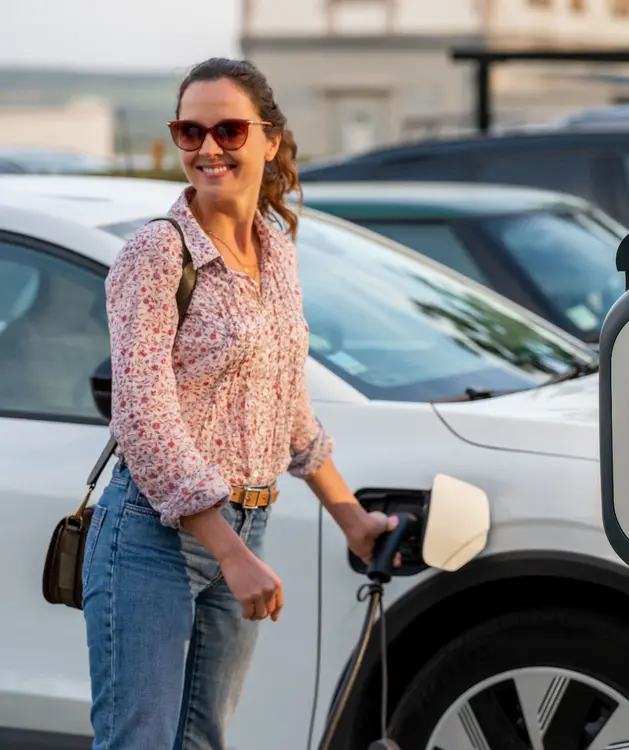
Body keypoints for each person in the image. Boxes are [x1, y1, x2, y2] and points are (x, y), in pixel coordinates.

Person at [81, 57, 397, 749]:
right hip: (151, 538)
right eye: (189, 131)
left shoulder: (275, 250)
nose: (208, 148)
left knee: (204, 741)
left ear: (269, 139)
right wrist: (228, 551)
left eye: (228, 129)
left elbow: (287, 404)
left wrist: (351, 519)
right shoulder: (154, 256)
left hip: (246, 527)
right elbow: (143, 418)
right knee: (141, 741)